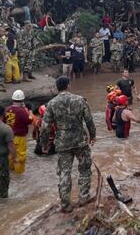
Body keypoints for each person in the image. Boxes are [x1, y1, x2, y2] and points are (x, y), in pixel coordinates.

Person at [42, 76, 96, 212]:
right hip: (80, 141)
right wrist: (93, 136)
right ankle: (84, 197)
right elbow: (89, 120)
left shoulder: (51, 104)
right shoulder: (79, 100)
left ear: (56, 87)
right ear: (68, 85)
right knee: (84, 169)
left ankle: (65, 204)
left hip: (62, 142)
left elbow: (45, 127)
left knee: (64, 172)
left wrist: (45, 144)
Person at [4, 90, 32, 174]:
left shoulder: (7, 109)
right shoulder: (22, 111)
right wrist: (30, 112)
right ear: (22, 100)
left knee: (10, 155)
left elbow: (3, 121)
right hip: (19, 137)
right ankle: (19, 174)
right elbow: (29, 121)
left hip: (8, 137)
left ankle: (10, 171)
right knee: (20, 156)